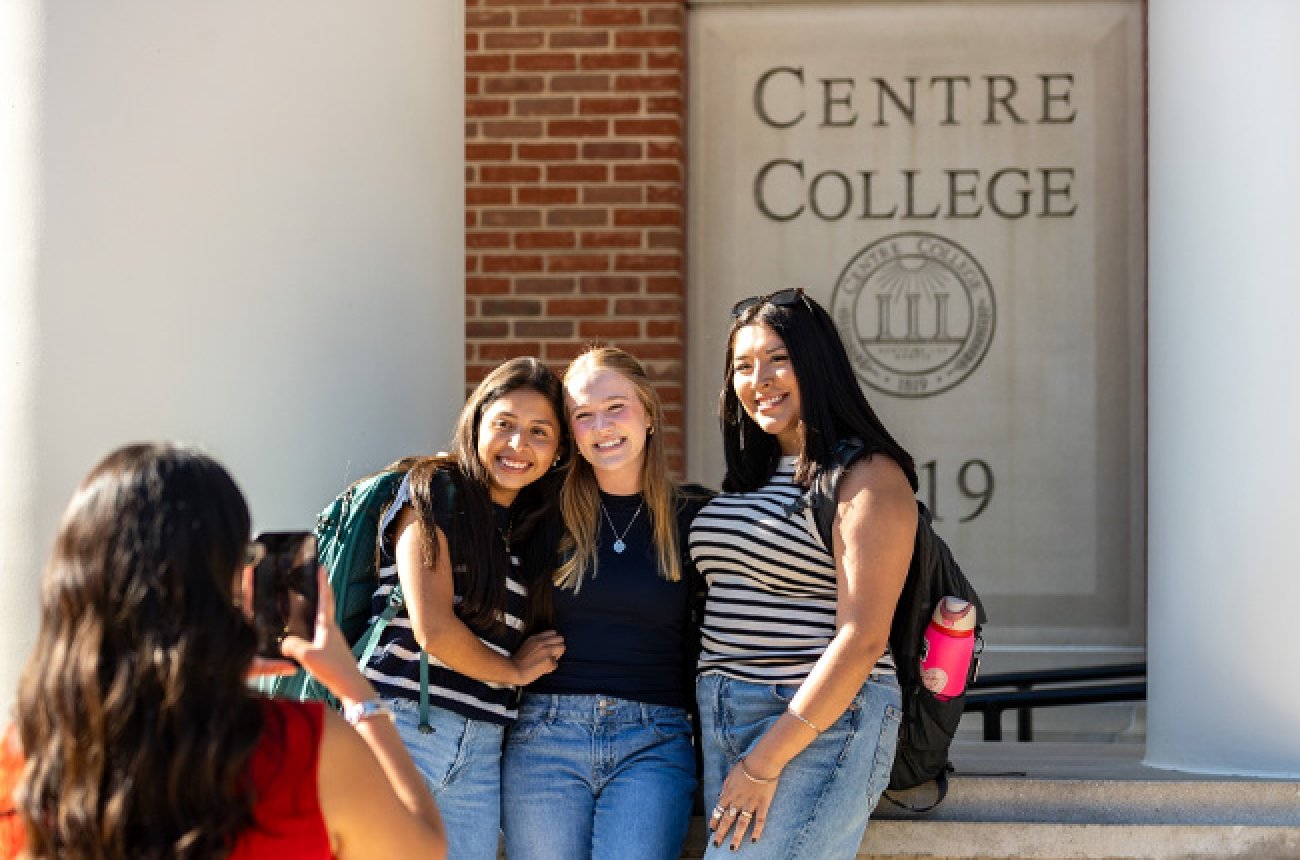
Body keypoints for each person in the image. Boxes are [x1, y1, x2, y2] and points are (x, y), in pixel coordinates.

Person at [0, 443, 446, 860]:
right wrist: (355, 689)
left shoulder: (34, 749)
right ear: (226, 584)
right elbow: (423, 848)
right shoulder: (305, 746)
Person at [689, 288, 919, 858]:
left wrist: (766, 760)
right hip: (726, 712)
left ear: (815, 365)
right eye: (743, 366)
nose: (758, 379)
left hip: (817, 721)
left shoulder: (867, 474)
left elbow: (863, 637)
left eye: (778, 359)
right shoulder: (757, 474)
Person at [501, 347, 710, 860]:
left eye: (616, 407)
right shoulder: (538, 512)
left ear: (649, 413)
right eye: (583, 415)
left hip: (655, 741)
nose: (602, 425)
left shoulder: (697, 518)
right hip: (544, 735)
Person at [361, 356, 568, 860]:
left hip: (480, 751)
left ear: (559, 449)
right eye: (505, 425)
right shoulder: (432, 491)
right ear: (476, 424)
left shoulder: (529, 529)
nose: (519, 445)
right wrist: (514, 670)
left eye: (540, 432)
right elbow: (433, 628)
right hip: (402, 730)